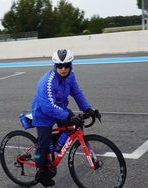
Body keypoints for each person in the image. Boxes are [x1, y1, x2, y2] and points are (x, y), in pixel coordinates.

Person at [31, 49, 96, 187]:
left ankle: (55, 143)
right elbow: (48, 107)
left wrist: (88, 109)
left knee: (74, 125)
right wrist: (68, 115)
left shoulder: (70, 76)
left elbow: (77, 93)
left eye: (66, 65)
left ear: (70, 65)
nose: (63, 69)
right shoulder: (47, 83)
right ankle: (40, 171)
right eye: (59, 66)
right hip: (43, 114)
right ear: (55, 66)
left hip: (60, 108)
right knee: (43, 144)